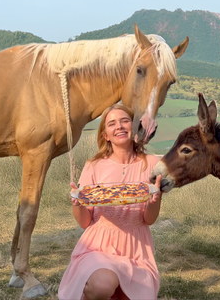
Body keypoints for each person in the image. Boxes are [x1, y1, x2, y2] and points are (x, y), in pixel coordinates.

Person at [58, 103, 162, 300]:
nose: (120, 127)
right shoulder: (94, 166)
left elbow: (149, 219)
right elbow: (84, 222)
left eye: (125, 121)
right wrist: (77, 203)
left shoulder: (152, 164)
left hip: (136, 248)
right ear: (106, 134)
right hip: (98, 245)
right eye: (112, 124)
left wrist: (155, 200)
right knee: (103, 286)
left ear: (134, 126)